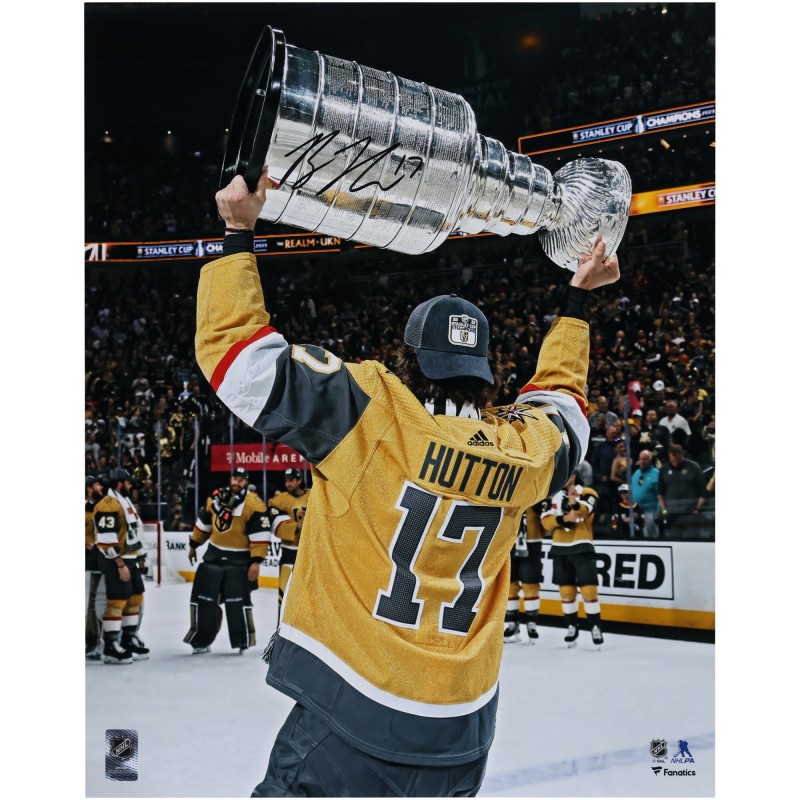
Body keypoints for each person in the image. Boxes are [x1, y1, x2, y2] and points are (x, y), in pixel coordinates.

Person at [197, 172, 619, 797]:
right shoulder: (524, 448)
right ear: (483, 372)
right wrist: (576, 301)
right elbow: (561, 406)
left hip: (354, 712)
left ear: (409, 359)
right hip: (462, 733)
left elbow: (239, 358)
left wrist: (237, 234)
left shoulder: (373, 411)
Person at [184, 466, 270, 654]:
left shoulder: (254, 504)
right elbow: (204, 524)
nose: (236, 482)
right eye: (234, 478)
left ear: (246, 482)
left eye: (241, 480)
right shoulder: (216, 498)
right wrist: (193, 545)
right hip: (213, 558)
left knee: (237, 604)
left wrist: (256, 562)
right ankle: (201, 640)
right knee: (205, 601)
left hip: (238, 562)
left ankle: (242, 640)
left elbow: (261, 535)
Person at [92, 467, 149, 664]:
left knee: (135, 597)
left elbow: (135, 531)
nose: (131, 485)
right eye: (128, 482)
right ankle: (110, 646)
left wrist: (140, 556)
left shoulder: (124, 501)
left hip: (130, 558)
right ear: (119, 483)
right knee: (117, 601)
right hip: (116, 560)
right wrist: (119, 564)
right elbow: (106, 539)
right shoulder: (108, 504)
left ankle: (127, 639)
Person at [541, 470, 603, 648]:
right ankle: (571, 627)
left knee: (589, 591)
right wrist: (563, 518)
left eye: (566, 474)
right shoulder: (551, 496)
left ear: (573, 477)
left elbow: (583, 512)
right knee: (566, 592)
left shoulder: (588, 492)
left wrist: (574, 502)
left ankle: (595, 627)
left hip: (583, 546)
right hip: (560, 549)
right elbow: (546, 522)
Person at [268, 467, 312, 624]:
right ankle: (280, 630)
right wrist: (297, 527)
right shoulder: (279, 500)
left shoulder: (314, 494)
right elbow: (273, 521)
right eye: (286, 481)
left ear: (299, 480)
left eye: (291, 480)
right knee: (284, 596)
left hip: (310, 552)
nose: (288, 484)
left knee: (309, 598)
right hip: (289, 553)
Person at [504, 500, 547, 644]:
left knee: (530, 584)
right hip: (509, 542)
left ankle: (531, 623)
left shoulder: (539, 495)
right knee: (510, 585)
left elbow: (547, 524)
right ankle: (512, 623)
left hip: (531, 543)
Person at [657, 444, 707, 537]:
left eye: (677, 460)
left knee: (693, 539)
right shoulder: (664, 469)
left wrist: (698, 509)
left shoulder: (694, 467)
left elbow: (703, 491)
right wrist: (664, 510)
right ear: (669, 455)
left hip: (691, 513)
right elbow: (660, 493)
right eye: (673, 460)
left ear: (682, 455)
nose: (675, 463)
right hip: (672, 513)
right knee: (674, 539)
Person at [85, 475, 106, 660]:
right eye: (97, 484)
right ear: (89, 489)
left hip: (100, 561)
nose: (101, 487)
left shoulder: (103, 506)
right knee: (92, 603)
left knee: (98, 601)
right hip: (89, 563)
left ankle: (100, 641)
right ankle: (93, 641)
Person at [630, 449, 660, 538]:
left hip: (651, 512)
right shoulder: (636, 473)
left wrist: (658, 513)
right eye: (640, 459)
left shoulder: (657, 474)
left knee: (651, 537)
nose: (642, 462)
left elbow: (660, 494)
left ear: (650, 461)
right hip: (636, 512)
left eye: (644, 459)